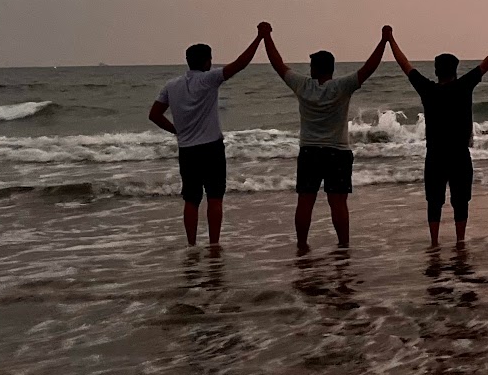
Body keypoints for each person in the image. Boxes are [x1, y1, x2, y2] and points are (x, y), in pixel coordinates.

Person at [262, 22, 389, 252]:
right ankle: (343, 246)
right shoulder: (341, 86)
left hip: (310, 150)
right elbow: (369, 68)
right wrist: (384, 41)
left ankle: (302, 244)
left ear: (313, 69)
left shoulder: (303, 85)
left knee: (305, 201)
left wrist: (266, 37)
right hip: (337, 152)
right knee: (338, 203)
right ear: (331, 69)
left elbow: (277, 65)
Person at [387, 26, 488, 248]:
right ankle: (460, 241)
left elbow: (405, 64)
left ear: (436, 71)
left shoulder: (428, 89)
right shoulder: (463, 86)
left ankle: (434, 243)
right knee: (461, 201)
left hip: (434, 155)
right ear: (455, 70)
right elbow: (487, 63)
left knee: (434, 202)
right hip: (459, 155)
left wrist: (390, 39)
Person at [147, 29, 265, 246]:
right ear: (207, 62)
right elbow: (240, 63)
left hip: (187, 149)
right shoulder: (209, 79)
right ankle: (213, 244)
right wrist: (259, 38)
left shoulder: (171, 86)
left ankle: (191, 245)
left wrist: (176, 130)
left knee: (191, 200)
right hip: (211, 147)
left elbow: (154, 115)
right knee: (214, 198)